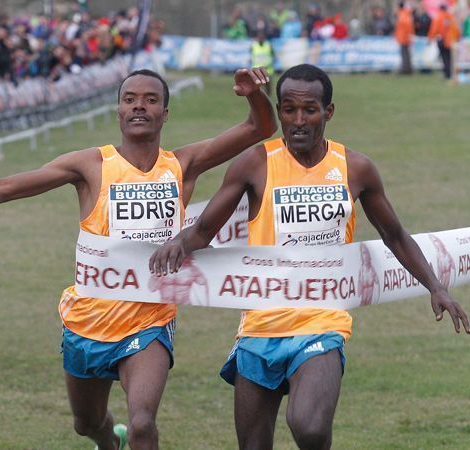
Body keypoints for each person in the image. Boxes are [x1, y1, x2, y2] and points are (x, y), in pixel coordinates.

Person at [0, 67, 277, 450]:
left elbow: (259, 128)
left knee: (143, 424)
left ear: (164, 114)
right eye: (130, 99)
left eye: (151, 100)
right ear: (118, 111)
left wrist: (255, 94)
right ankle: (107, 440)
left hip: (150, 319)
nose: (139, 106)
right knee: (86, 422)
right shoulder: (90, 166)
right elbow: (0, 188)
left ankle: (127, 436)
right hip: (88, 320)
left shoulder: (182, 165)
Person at [149, 64, 470, 450]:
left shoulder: (355, 168)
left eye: (309, 110)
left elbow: (395, 235)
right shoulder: (256, 163)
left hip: (322, 321)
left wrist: (436, 287)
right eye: (288, 109)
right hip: (260, 326)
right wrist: (178, 244)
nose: (298, 121)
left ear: (328, 112)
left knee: (310, 427)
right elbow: (204, 230)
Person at [428, 4, 461, 80]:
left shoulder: (438, 17)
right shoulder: (450, 17)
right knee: (449, 57)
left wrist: (430, 38)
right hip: (450, 40)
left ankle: (447, 73)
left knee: (444, 57)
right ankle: (450, 73)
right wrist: (457, 37)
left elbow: (434, 29)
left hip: (441, 40)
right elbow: (455, 29)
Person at [395, 2, 415, 75]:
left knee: (404, 54)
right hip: (405, 37)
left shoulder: (402, 15)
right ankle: (407, 69)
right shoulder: (406, 14)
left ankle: (405, 69)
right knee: (406, 54)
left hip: (404, 38)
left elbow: (404, 27)